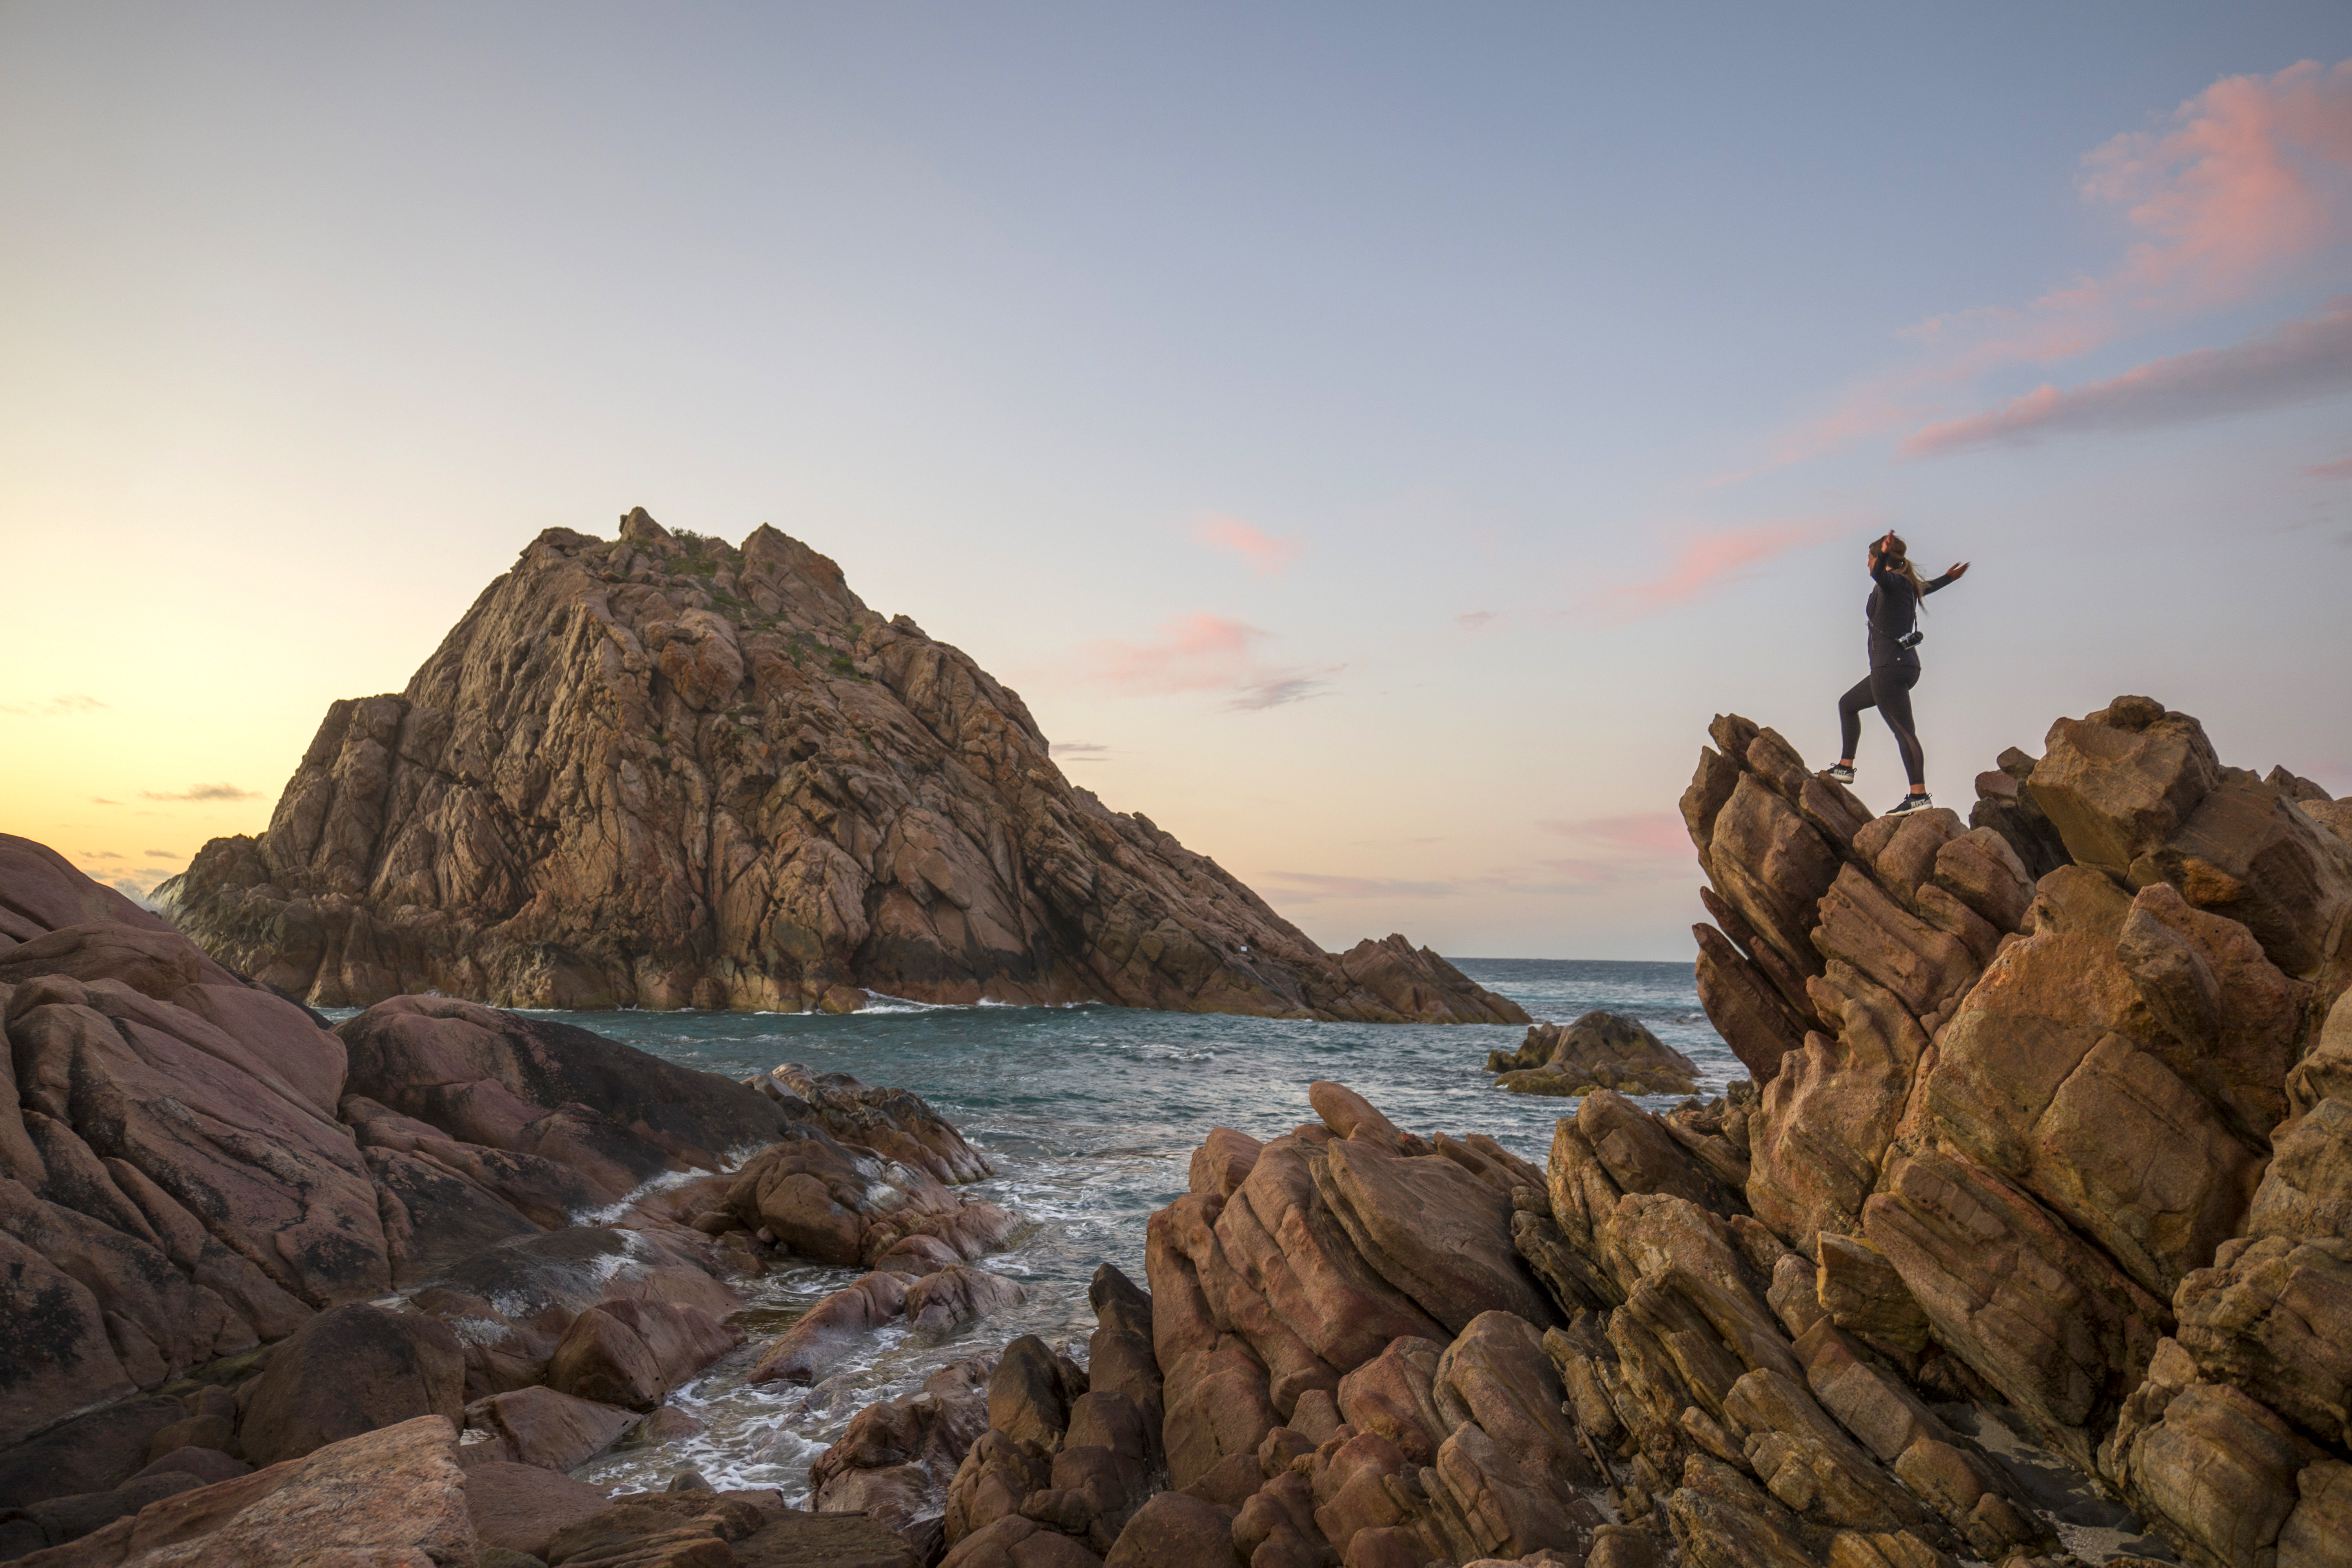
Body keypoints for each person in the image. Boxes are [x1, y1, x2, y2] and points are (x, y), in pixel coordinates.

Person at [1823, 529, 1968, 816]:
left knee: (1904, 732)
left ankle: (1918, 795)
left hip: (1888, 668)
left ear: (1881, 558)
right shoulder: (1906, 584)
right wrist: (1949, 579)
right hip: (1903, 666)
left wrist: (1884, 554)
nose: (1867, 562)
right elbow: (1925, 587)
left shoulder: (1890, 582)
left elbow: (1878, 574)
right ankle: (1845, 767)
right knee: (1848, 704)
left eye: (1869, 557)